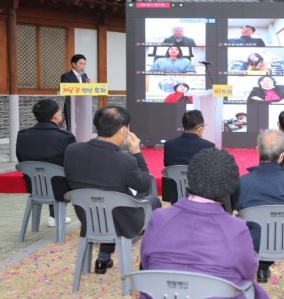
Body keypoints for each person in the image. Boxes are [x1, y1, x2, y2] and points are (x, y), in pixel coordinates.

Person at [139, 148, 275, 299]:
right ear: (230, 186)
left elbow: (146, 263)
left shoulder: (159, 218)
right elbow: (248, 272)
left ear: (190, 177)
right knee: (251, 291)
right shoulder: (235, 228)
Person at [64, 106, 162, 274]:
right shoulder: (125, 161)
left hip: (89, 218)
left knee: (106, 201)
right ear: (124, 129)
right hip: (122, 220)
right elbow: (144, 185)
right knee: (154, 201)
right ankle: (149, 260)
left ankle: (103, 257)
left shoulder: (71, 150)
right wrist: (137, 153)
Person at [236, 130, 284, 283]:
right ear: (282, 154)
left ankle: (261, 269)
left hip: (253, 243)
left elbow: (240, 212)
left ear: (257, 149)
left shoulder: (243, 183)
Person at [16, 99, 75, 227]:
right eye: (59, 111)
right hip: (61, 188)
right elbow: (73, 164)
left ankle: (54, 216)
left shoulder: (22, 136)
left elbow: (21, 160)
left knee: (49, 172)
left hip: (34, 186)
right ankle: (57, 215)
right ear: (55, 115)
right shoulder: (65, 137)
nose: (60, 114)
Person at [162, 110, 216, 204]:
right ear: (199, 128)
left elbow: (168, 166)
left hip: (176, 196)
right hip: (201, 198)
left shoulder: (169, 145)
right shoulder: (208, 146)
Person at [60, 54, 91, 131]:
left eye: (84, 64)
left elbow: (85, 92)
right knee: (71, 128)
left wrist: (89, 86)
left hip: (82, 106)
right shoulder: (66, 76)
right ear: (73, 64)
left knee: (82, 128)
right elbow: (64, 90)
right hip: (71, 106)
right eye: (80, 63)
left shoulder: (84, 77)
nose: (83, 66)